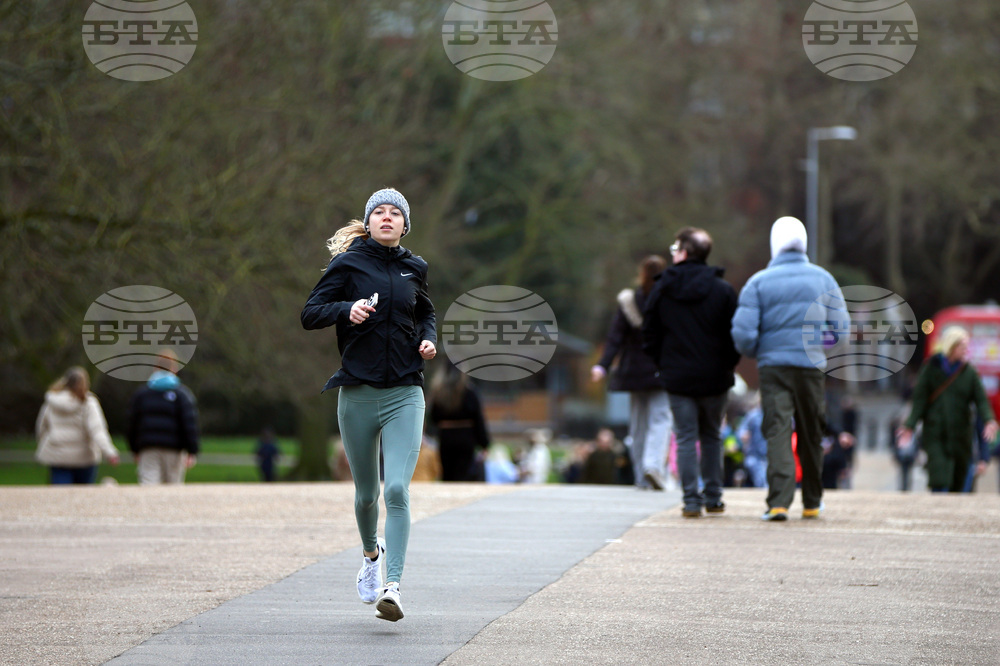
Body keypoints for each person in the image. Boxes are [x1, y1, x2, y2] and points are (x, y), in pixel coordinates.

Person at [301, 188, 436, 622]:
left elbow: (426, 312)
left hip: (404, 392)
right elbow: (310, 312)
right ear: (369, 221)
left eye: (395, 212)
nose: (386, 217)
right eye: (378, 211)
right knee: (365, 496)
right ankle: (371, 557)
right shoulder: (349, 263)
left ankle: (393, 587)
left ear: (404, 224)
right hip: (357, 392)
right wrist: (347, 309)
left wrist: (428, 338)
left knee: (396, 489)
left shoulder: (416, 268)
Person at [731, 216, 848, 521]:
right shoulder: (824, 279)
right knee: (811, 431)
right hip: (810, 366)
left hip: (774, 367)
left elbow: (742, 334)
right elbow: (841, 330)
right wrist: (819, 345)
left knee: (778, 430)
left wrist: (760, 350)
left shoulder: (758, 282)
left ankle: (779, 502)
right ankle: (812, 500)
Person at [643, 227, 741, 518]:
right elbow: (735, 334)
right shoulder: (723, 290)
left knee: (685, 437)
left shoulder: (662, 290)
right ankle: (713, 496)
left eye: (675, 249)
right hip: (716, 377)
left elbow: (649, 334)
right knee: (711, 435)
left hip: (678, 377)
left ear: (684, 253)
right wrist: (728, 363)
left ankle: (691, 501)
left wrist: (663, 364)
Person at [591, 255, 672, 490]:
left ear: (641, 273)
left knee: (638, 425)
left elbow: (614, 338)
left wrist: (602, 366)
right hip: (661, 370)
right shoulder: (669, 300)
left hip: (634, 373)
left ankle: (640, 477)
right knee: (660, 420)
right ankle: (653, 466)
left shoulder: (629, 302)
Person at [897, 326, 998, 493]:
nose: (966, 350)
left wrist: (989, 420)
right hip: (935, 431)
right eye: (963, 346)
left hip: (961, 433)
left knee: (958, 480)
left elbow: (981, 400)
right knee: (939, 475)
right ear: (952, 346)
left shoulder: (969, 372)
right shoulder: (931, 368)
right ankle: (939, 505)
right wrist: (909, 426)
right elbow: (919, 401)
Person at [35, 366, 120, 484]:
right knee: (83, 496)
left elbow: (42, 427)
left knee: (60, 496)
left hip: (58, 456)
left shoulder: (52, 401)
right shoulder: (89, 403)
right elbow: (97, 430)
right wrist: (109, 452)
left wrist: (44, 443)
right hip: (84, 457)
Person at [127, 351, 200, 485]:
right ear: (174, 369)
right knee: (172, 489)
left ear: (156, 368)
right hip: (174, 450)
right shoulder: (182, 394)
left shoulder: (142, 395)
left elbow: (132, 423)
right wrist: (192, 450)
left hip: (148, 449)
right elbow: (189, 424)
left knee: (149, 486)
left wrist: (134, 448)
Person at [427, 365, 490, 482]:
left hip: (446, 436)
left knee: (448, 473)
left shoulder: (439, 393)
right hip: (466, 437)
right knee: (464, 473)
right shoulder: (469, 392)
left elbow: (433, 418)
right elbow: (478, 418)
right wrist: (484, 443)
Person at [737, 396, 768, 489]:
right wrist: (743, 435)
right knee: (761, 479)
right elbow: (741, 430)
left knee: (764, 479)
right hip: (754, 455)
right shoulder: (753, 416)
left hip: (768, 454)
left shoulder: (774, 415)